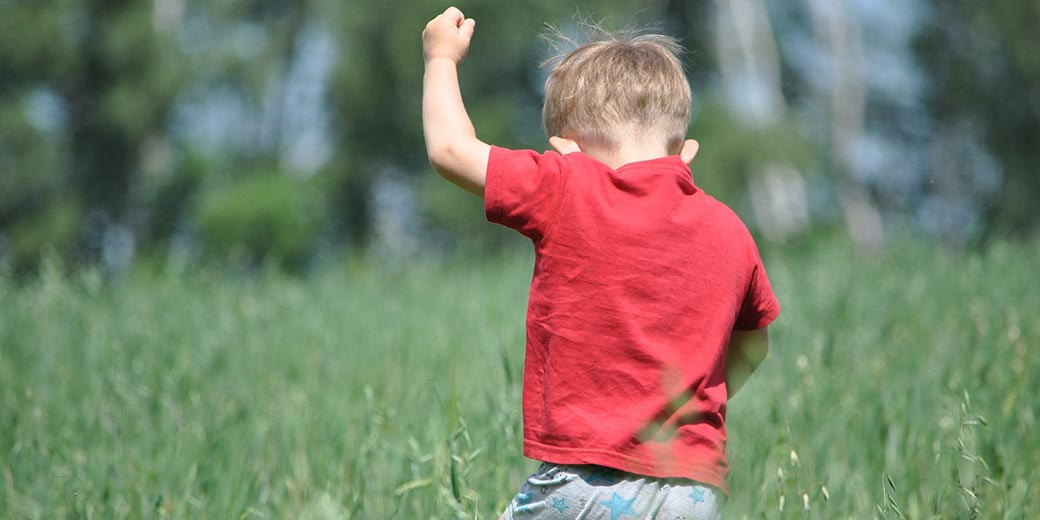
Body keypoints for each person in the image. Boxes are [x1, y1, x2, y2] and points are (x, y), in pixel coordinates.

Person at [422, 7, 780, 519]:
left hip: (587, 479)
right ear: (686, 152)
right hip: (692, 490)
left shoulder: (569, 185)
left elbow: (451, 150)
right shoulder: (730, 230)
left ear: (567, 148)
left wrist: (441, 58)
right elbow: (754, 343)